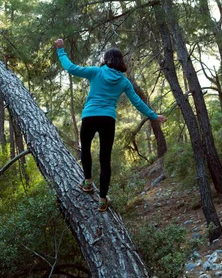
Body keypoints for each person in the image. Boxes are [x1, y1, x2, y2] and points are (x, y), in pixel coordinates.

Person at [54, 39, 167, 212]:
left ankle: (88, 183)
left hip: (90, 116)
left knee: (85, 148)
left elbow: (71, 68)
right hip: (108, 119)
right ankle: (102, 200)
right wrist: (154, 116)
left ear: (106, 59)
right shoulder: (124, 82)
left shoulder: (96, 72)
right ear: (120, 61)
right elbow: (137, 101)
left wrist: (61, 50)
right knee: (105, 159)